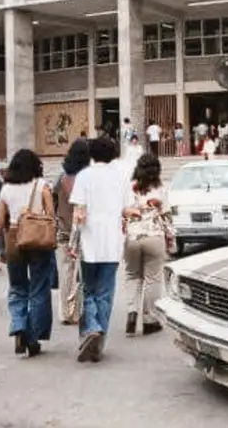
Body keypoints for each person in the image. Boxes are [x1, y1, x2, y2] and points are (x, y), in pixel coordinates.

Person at [69, 138, 130, 363]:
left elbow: (79, 211)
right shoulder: (120, 176)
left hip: (89, 243)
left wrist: (72, 242)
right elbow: (127, 209)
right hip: (113, 243)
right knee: (105, 292)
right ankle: (99, 337)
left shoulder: (84, 176)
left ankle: (91, 328)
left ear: (92, 154)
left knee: (89, 289)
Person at [0, 149, 55, 358]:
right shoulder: (42, 186)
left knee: (17, 287)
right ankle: (32, 336)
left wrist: (2, 246)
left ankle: (19, 325)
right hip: (37, 238)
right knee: (39, 288)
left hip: (13, 238)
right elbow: (51, 216)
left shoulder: (6, 189)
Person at [123, 154, 173, 337]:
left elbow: (124, 211)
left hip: (133, 237)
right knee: (153, 278)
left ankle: (131, 314)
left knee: (132, 275)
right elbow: (167, 215)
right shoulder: (160, 188)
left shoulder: (131, 188)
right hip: (154, 236)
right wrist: (171, 238)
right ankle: (150, 319)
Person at [54, 140, 91, 325]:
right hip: (82, 230)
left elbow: (54, 203)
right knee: (82, 273)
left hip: (63, 230)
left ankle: (65, 312)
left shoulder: (61, 179)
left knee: (67, 271)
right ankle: (76, 310)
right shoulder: (87, 179)